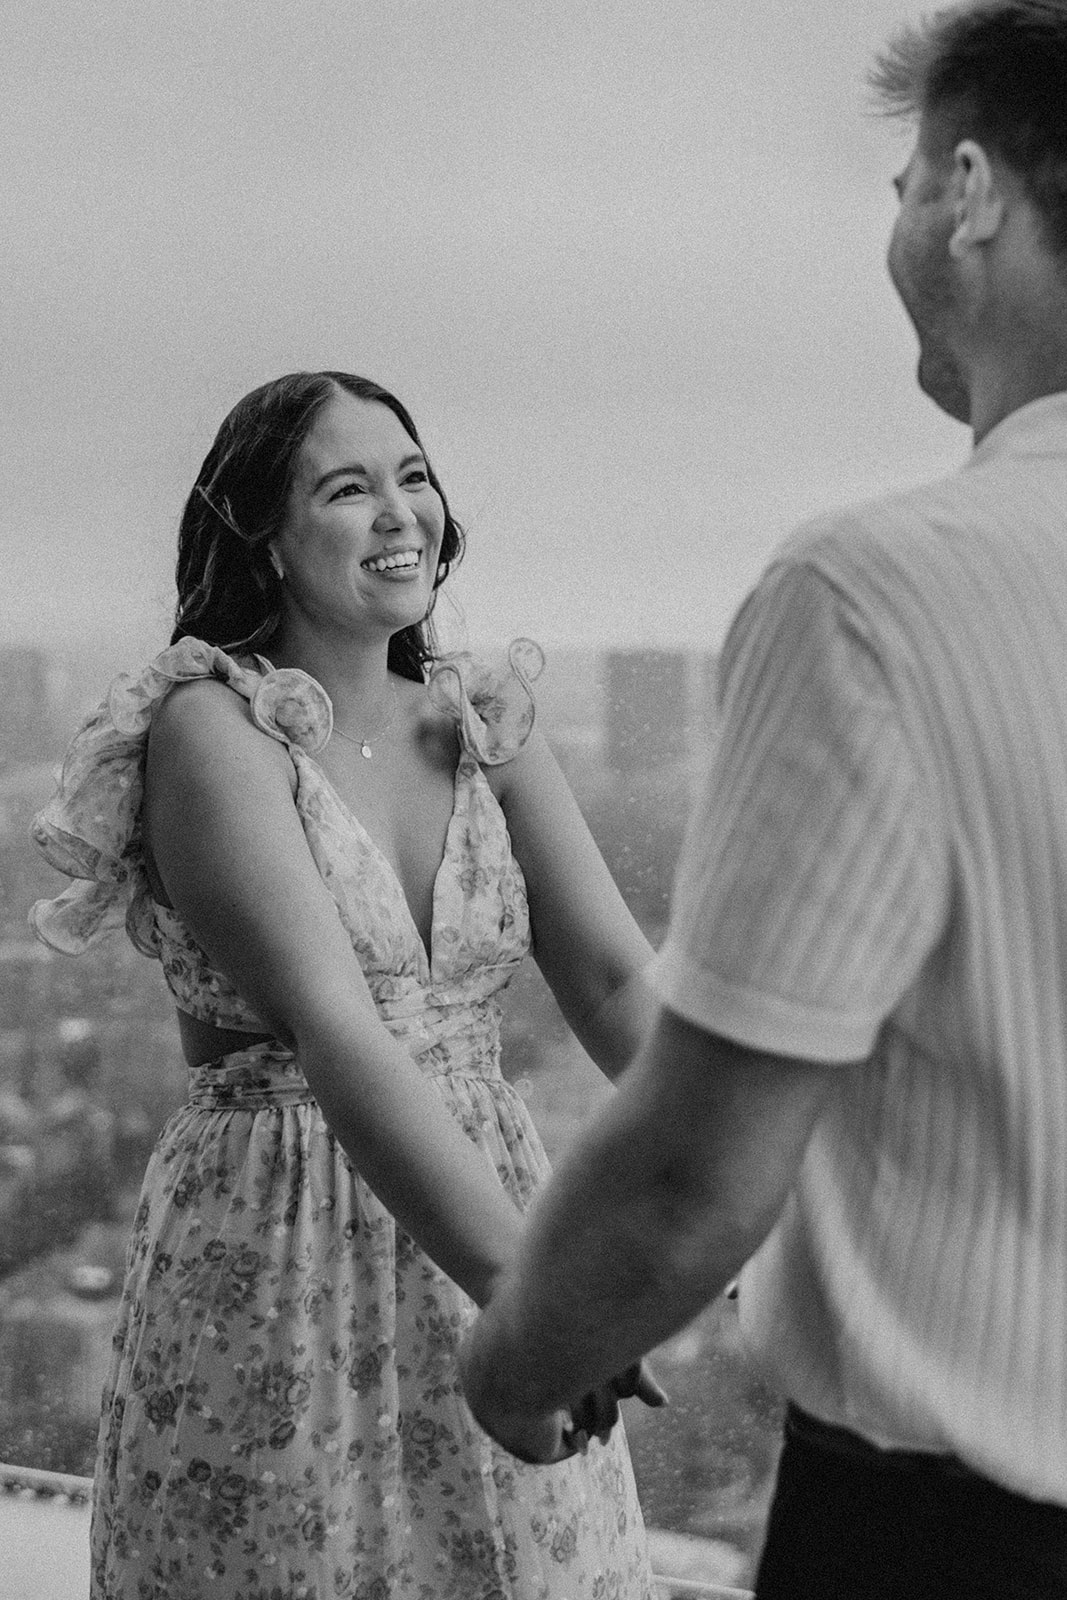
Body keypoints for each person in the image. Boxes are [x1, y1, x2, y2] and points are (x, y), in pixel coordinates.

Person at [459, 4, 1067, 1596]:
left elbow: (688, 1180)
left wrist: (513, 1364)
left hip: (966, 1536)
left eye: (895, 187)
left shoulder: (876, 594)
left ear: (967, 189)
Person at [30, 369, 663, 1599]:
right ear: (261, 535)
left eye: (413, 478)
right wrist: (531, 1307)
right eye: (347, 488)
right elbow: (340, 1031)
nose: (399, 515)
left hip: (485, 1208)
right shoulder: (210, 727)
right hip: (277, 1253)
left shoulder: (482, 725)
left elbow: (614, 982)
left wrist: (748, 1183)